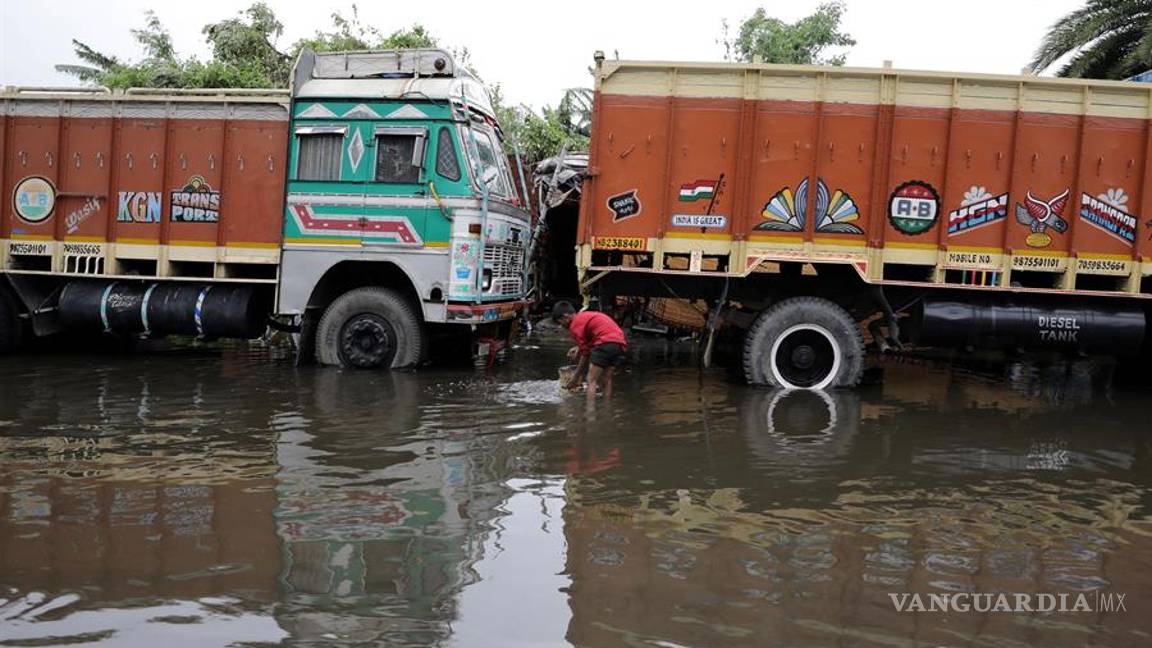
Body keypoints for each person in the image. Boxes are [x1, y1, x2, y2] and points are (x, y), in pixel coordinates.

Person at [552, 301, 627, 402]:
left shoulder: (575, 325)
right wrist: (578, 348)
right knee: (607, 379)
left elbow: (585, 353)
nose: (561, 325)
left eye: (560, 322)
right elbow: (593, 338)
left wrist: (576, 376)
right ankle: (607, 408)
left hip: (604, 343)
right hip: (618, 344)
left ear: (566, 317)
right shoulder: (584, 317)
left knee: (591, 380)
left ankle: (589, 414)